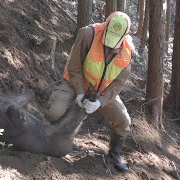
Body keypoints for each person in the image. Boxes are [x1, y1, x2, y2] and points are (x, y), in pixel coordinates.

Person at [45, 11, 133, 172]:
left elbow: (117, 85)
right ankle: (52, 137)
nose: (110, 44)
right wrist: (80, 91)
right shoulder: (88, 34)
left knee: (123, 121)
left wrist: (100, 102)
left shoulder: (128, 51)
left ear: (124, 36)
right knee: (54, 112)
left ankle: (115, 153)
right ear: (105, 27)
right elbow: (74, 66)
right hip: (76, 81)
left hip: (103, 91)